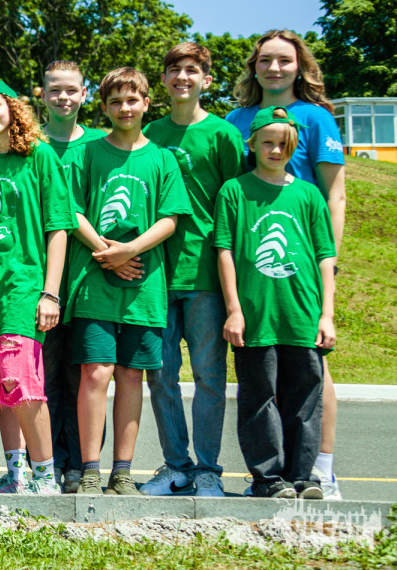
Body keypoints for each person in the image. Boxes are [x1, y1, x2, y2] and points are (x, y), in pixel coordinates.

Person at [225, 29, 346, 500]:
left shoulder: (315, 118)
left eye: (285, 60)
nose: (275, 68)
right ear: (254, 67)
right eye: (266, 60)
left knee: (311, 377)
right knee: (260, 381)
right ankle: (270, 474)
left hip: (303, 272)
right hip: (254, 274)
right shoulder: (236, 120)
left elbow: (334, 195)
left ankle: (319, 469)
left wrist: (327, 264)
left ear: (300, 67)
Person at [67, 67, 191, 495]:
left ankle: (121, 471)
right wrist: (107, 254)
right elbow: (72, 211)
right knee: (95, 373)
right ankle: (89, 470)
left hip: (144, 287)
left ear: (146, 103)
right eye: (116, 101)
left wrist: (130, 250)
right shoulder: (88, 153)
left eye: (132, 100)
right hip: (95, 283)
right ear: (103, 107)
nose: (124, 108)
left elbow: (170, 219)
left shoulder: (162, 158)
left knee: (131, 376)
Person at [0, 78, 76, 496]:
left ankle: (45, 479)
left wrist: (50, 293)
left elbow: (58, 228)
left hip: (23, 288)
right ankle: (17, 477)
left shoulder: (40, 156)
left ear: (12, 108)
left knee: (21, 383)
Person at [139, 43, 245, 499]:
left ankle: (208, 470)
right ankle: (175, 466)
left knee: (208, 376)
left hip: (205, 275)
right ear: (163, 80)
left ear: (206, 79)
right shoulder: (150, 132)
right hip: (156, 274)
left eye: (192, 70)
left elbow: (235, 206)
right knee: (160, 375)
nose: (183, 77)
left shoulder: (223, 135)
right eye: (174, 70)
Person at [37, 60, 105, 493]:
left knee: (82, 376)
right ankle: (47, 463)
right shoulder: (31, 142)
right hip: (41, 279)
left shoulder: (100, 143)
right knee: (45, 375)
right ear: (41, 94)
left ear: (84, 93)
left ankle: (81, 465)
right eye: (54, 90)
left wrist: (107, 252)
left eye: (71, 90)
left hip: (91, 279)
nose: (63, 97)